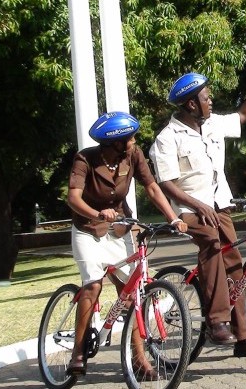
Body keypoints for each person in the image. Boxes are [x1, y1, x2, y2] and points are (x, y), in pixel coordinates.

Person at [149, 59, 246, 358]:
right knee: (212, 246)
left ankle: (243, 338)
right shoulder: (167, 138)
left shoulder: (212, 123)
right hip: (189, 210)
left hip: (219, 206)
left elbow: (243, 114)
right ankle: (217, 322)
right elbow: (166, 184)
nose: (210, 101)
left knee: (234, 264)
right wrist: (197, 204)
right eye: (206, 97)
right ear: (191, 104)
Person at [66, 111, 189, 379]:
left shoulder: (133, 155)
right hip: (88, 230)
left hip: (120, 228)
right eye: (130, 138)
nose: (134, 141)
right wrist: (97, 214)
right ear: (115, 143)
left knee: (133, 292)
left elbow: (152, 187)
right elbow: (73, 198)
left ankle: (138, 359)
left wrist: (173, 218)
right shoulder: (84, 159)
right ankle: (77, 352)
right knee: (93, 285)